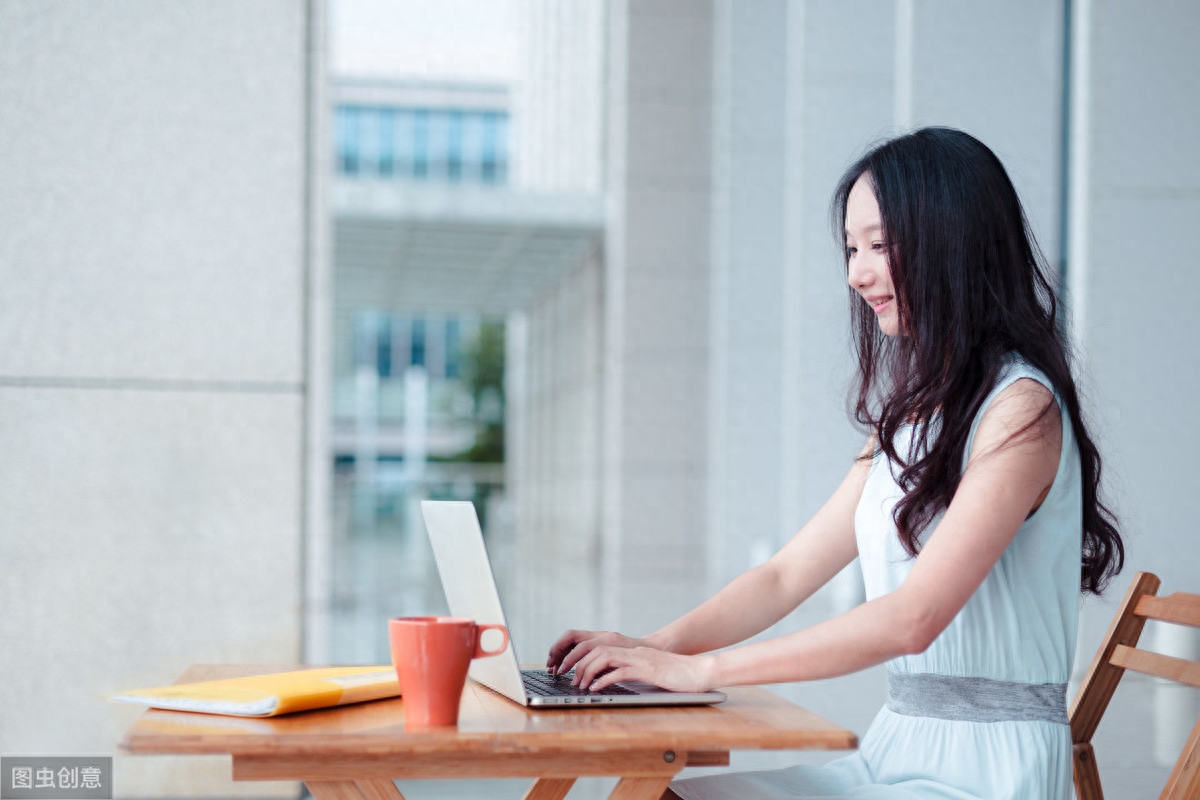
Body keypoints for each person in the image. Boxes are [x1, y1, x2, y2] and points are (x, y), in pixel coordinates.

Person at [546, 127, 1124, 799]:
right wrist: (653, 650)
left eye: (880, 245)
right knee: (662, 795)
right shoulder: (912, 416)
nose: (856, 272)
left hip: (987, 775)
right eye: (852, 248)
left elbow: (914, 618)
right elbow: (784, 575)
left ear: (952, 241)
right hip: (891, 752)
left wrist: (703, 673)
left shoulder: (1020, 413)